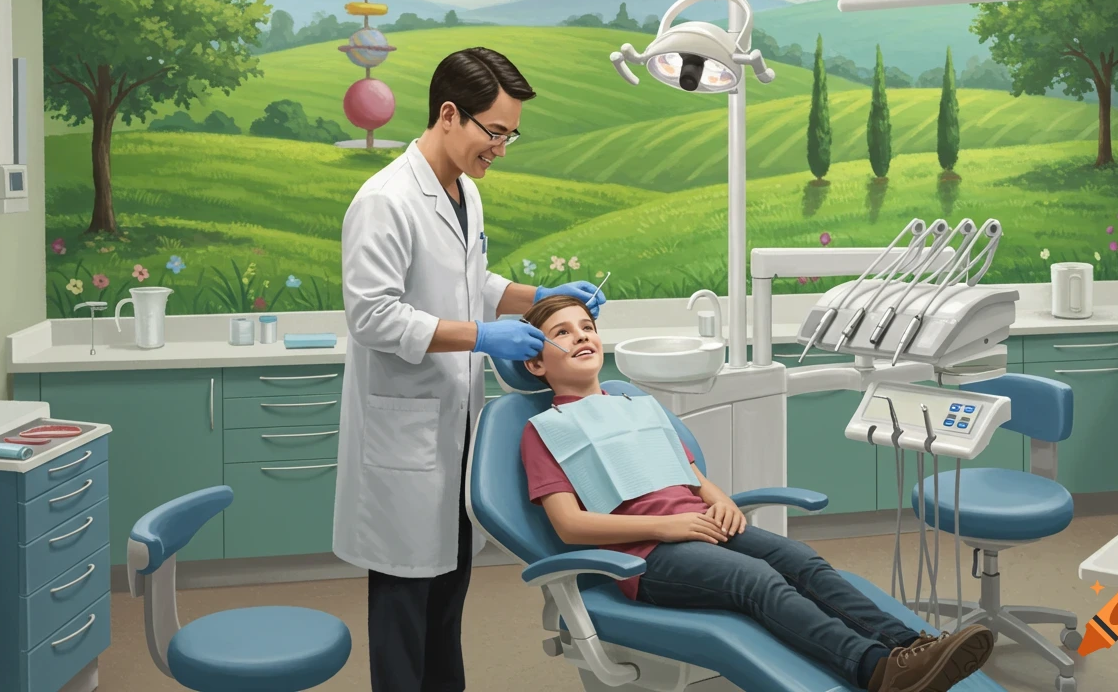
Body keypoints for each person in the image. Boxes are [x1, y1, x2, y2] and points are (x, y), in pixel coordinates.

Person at [517, 295, 996, 692]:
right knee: (757, 580)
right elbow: (569, 525)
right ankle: (877, 670)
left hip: (703, 526)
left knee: (801, 560)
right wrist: (667, 526)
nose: (581, 335)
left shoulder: (637, 406)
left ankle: (913, 646)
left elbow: (688, 474)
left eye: (587, 326)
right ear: (536, 362)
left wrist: (720, 498)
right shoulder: (546, 431)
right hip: (647, 556)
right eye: (562, 332)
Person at [334, 48, 607, 692]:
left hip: (456, 431)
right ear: (449, 114)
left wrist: (543, 298)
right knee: (405, 607)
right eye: (495, 132)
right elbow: (372, 316)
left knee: (448, 600)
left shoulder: (465, 192)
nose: (502, 148)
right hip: (405, 437)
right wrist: (482, 337)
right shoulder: (385, 201)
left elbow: (472, 282)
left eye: (511, 134)